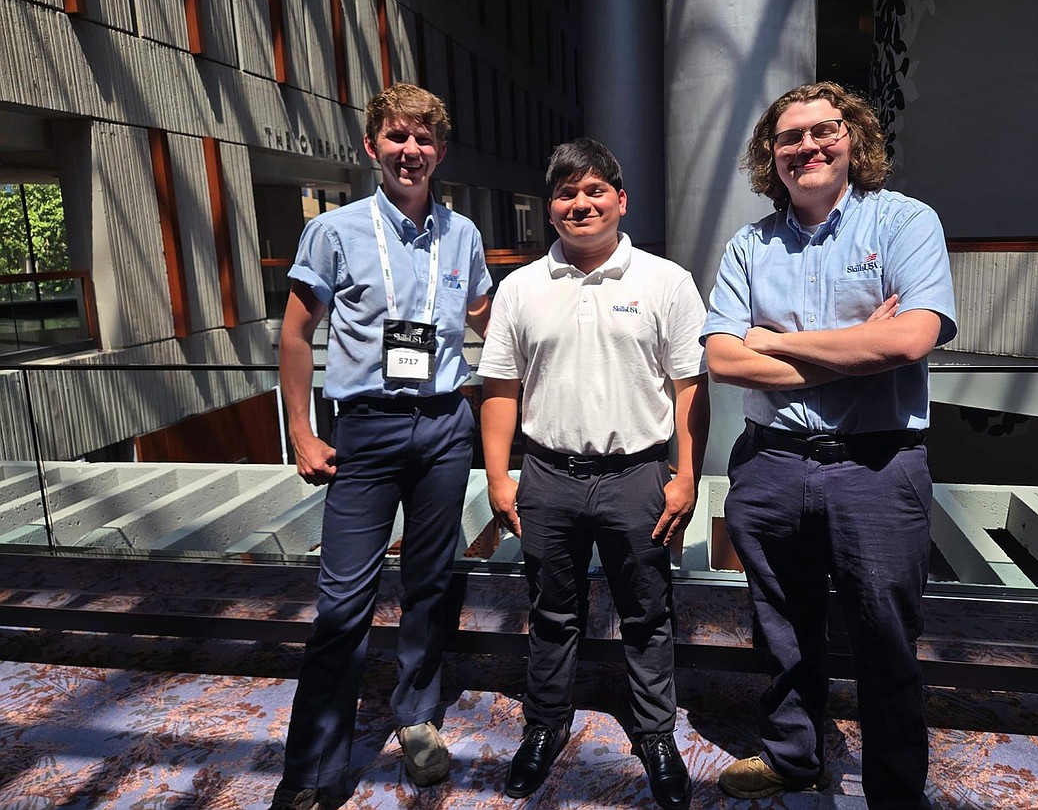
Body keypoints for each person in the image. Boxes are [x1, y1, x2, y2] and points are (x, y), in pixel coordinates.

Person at [702, 81, 956, 810]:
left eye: (824, 130)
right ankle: (792, 756)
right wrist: (859, 344)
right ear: (770, 156)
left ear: (853, 139)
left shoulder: (905, 222)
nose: (808, 145)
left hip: (877, 467)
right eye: (790, 137)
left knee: (886, 642)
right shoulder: (750, 244)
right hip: (771, 465)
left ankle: (896, 791)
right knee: (780, 625)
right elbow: (723, 358)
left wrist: (776, 343)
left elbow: (911, 337)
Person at [268, 83, 491, 810]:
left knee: (430, 585)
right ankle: (310, 769)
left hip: (445, 427)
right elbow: (297, 333)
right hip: (363, 427)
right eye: (397, 137)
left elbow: (491, 313)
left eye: (424, 139)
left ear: (440, 150)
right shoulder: (333, 230)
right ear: (372, 146)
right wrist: (301, 431)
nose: (410, 150)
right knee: (342, 605)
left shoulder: (463, 235)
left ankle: (417, 717)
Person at [478, 138, 710, 810]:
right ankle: (545, 726)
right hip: (548, 474)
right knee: (551, 611)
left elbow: (690, 386)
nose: (580, 203)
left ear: (619, 199)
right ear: (549, 206)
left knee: (648, 611)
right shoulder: (520, 288)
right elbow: (499, 387)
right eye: (566, 193)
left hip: (637, 474)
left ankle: (656, 733)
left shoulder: (665, 281)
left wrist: (686, 475)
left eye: (593, 191)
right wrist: (499, 477)